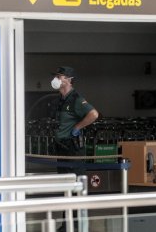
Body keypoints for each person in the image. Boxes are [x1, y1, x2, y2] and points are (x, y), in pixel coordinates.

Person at [50, 66, 99, 232]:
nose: (57, 79)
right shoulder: (61, 99)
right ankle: (66, 225)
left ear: (69, 80)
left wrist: (77, 127)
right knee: (65, 189)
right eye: (56, 76)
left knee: (76, 188)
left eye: (60, 76)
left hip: (73, 151)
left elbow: (93, 114)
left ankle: (78, 226)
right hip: (62, 149)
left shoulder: (76, 99)